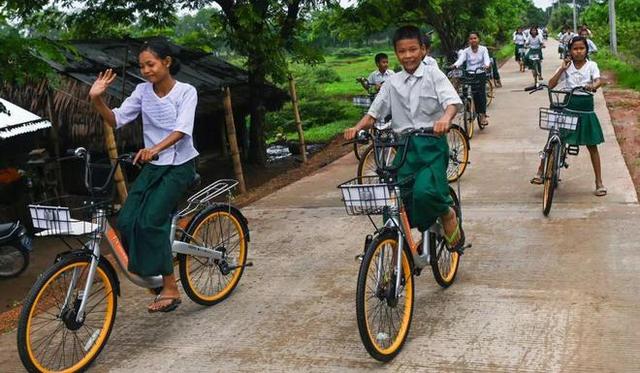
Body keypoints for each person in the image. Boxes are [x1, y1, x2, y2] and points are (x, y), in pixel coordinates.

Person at [89, 40, 199, 313]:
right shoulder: (141, 92)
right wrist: (97, 98)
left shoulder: (186, 92)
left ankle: (171, 287)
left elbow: (182, 130)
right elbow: (115, 120)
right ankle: (153, 276)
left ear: (167, 62)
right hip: (154, 166)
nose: (146, 70)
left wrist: (154, 148)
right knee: (126, 221)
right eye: (142, 66)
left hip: (181, 165)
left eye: (151, 64)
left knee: (151, 221)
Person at [344, 25, 465, 252]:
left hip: (431, 145)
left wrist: (445, 119)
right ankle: (397, 256)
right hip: (404, 149)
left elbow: (451, 102)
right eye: (402, 51)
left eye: (413, 50)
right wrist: (356, 127)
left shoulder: (433, 75)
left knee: (425, 192)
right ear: (396, 53)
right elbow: (374, 113)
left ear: (423, 50)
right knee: (399, 201)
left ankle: (447, 213)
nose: (408, 55)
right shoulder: (392, 82)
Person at [530, 36, 606, 196]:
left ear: (586, 50)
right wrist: (562, 69)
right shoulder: (567, 66)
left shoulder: (592, 65)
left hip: (585, 108)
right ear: (570, 51)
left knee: (592, 146)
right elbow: (551, 84)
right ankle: (540, 170)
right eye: (575, 49)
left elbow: (598, 80)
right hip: (568, 106)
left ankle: (599, 182)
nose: (578, 52)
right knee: (552, 137)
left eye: (581, 48)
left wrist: (592, 86)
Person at [452, 31, 491, 126]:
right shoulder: (466, 51)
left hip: (480, 73)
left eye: (475, 38)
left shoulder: (483, 49)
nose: (473, 40)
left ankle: (482, 115)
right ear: (468, 41)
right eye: (471, 38)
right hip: (469, 74)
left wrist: (486, 65)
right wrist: (455, 65)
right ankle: (468, 107)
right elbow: (460, 60)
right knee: (465, 91)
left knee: (480, 94)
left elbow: (487, 60)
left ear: (478, 39)